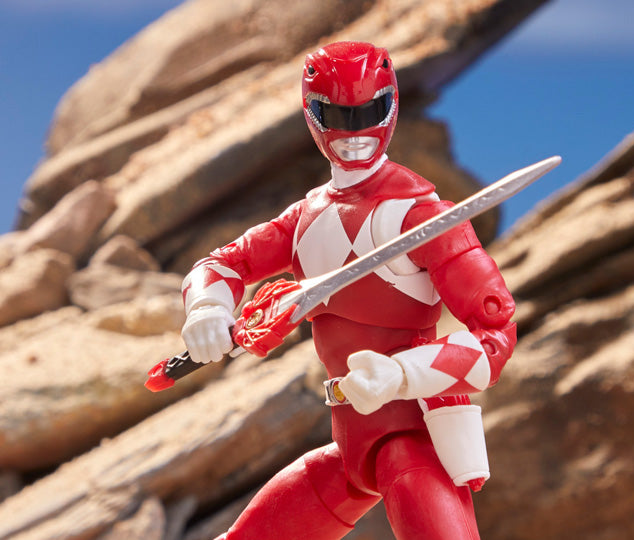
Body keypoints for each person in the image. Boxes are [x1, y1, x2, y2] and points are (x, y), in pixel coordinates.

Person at [180, 41, 516, 540]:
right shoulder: (305, 218)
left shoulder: (422, 215)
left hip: (411, 440)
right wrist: (208, 306)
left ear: (391, 106)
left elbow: (495, 335)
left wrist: (401, 373)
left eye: (369, 113)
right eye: (338, 116)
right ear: (312, 112)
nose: (355, 133)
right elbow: (223, 264)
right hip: (349, 445)